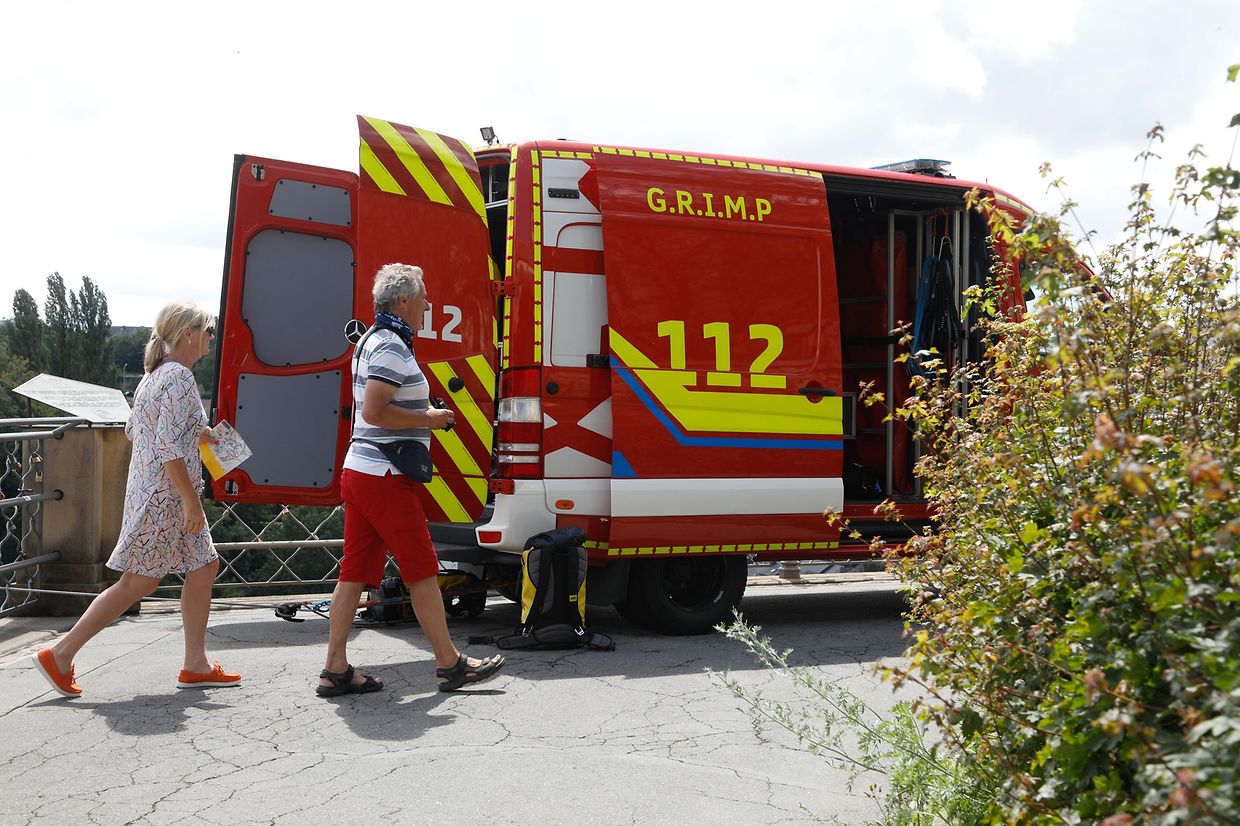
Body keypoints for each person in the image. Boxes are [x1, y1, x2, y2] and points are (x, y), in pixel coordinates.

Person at [32, 302, 240, 698]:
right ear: (188, 334)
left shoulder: (156, 375)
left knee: (204, 566)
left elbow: (140, 430)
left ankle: (196, 664)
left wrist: (203, 434)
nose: (212, 337)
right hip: (166, 498)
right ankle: (60, 654)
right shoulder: (179, 377)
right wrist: (191, 502)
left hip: (154, 492)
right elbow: (167, 447)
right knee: (137, 583)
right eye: (208, 330)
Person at [318, 263, 503, 697]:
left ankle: (335, 668)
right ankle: (450, 664)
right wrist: (429, 418)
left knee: (353, 573)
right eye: (423, 298)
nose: (428, 305)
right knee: (421, 570)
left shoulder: (373, 339)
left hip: (361, 471)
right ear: (403, 300)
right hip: (385, 475)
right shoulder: (390, 346)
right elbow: (375, 411)